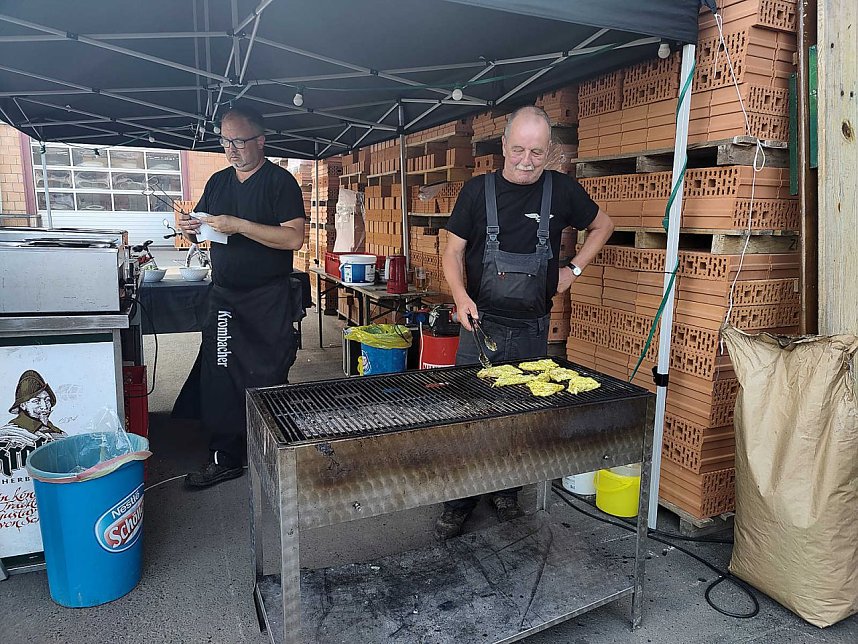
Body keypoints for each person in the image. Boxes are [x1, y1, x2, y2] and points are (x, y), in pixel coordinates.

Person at [435, 105, 615, 540]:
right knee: (469, 416)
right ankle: (458, 502)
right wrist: (460, 296)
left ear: (549, 151)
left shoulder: (563, 191)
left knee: (521, 417)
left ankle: (505, 492)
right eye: (518, 149)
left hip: (533, 328)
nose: (526, 160)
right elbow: (452, 252)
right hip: (480, 326)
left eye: (537, 151)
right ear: (503, 146)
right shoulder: (478, 192)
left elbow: (603, 225)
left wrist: (575, 270)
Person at [178, 106, 306, 489]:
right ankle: (227, 455)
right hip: (225, 297)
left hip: (268, 297)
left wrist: (239, 226)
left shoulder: (280, 182)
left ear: (260, 141)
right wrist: (190, 228)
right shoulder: (218, 182)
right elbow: (203, 233)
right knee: (220, 373)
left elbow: (293, 238)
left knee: (267, 375)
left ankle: (270, 452)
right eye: (224, 141)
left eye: (238, 141)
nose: (231, 149)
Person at [0, 370, 66, 449]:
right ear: (23, 405)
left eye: (47, 400)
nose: (44, 407)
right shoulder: (9, 433)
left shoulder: (58, 433)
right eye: (36, 401)